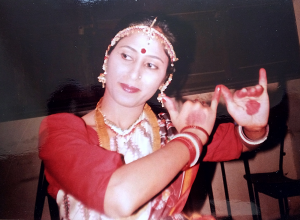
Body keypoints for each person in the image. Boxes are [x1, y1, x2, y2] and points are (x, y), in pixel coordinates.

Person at [38, 14, 269, 220]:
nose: (134, 73)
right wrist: (193, 136)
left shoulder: (173, 129)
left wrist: (255, 127)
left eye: (151, 64)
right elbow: (118, 199)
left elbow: (239, 141)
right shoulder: (60, 132)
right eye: (127, 56)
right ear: (107, 58)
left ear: (164, 80)